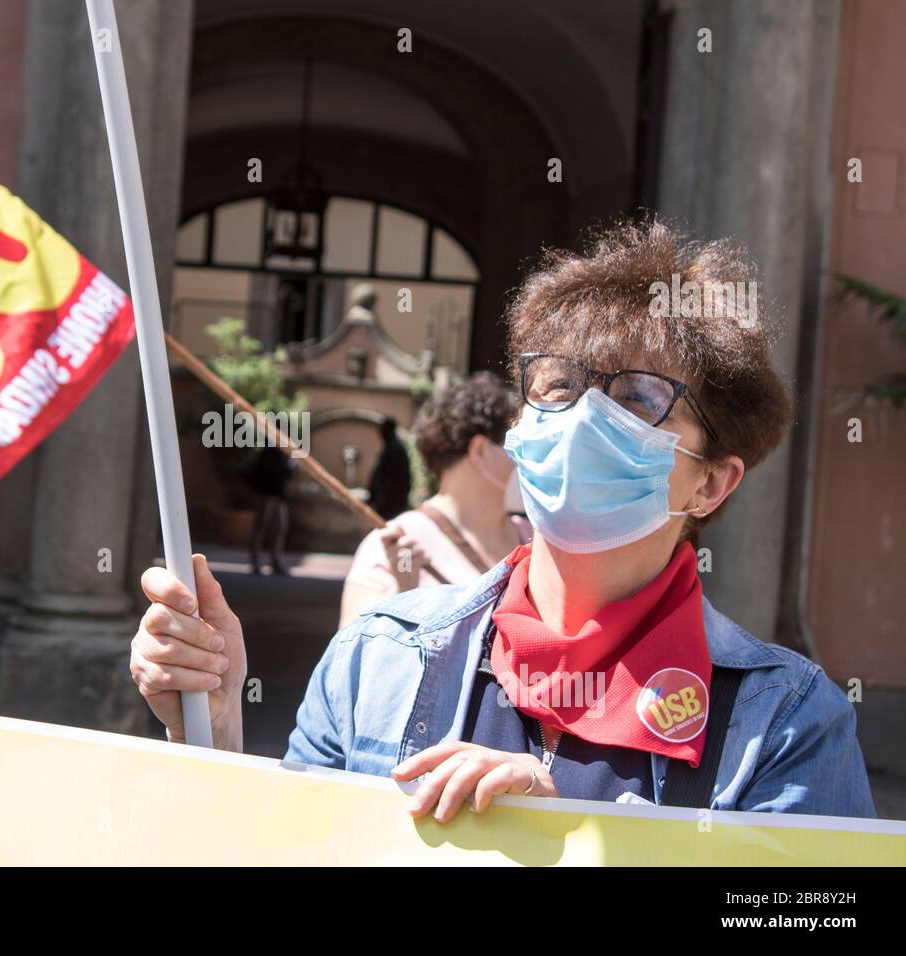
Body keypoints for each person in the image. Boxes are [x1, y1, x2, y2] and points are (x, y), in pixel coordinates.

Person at [129, 219, 875, 820]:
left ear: (712, 482)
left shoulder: (785, 722)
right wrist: (215, 727)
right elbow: (291, 850)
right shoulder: (376, 658)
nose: (583, 417)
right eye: (559, 385)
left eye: (639, 399)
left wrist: (575, 844)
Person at [340, 374, 529, 628]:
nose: (534, 458)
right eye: (522, 444)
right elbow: (352, 651)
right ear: (480, 451)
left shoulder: (539, 538)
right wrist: (402, 590)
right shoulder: (394, 545)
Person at [243, 444, 293, 575]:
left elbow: (287, 473)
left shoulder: (284, 452)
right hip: (267, 494)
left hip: (279, 495)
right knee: (261, 527)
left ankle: (275, 561)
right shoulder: (268, 450)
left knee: (279, 527)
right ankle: (255, 561)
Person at [365, 417, 410, 521]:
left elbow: (395, 477)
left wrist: (382, 496)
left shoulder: (395, 449)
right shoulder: (390, 447)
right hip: (388, 500)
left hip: (391, 501)